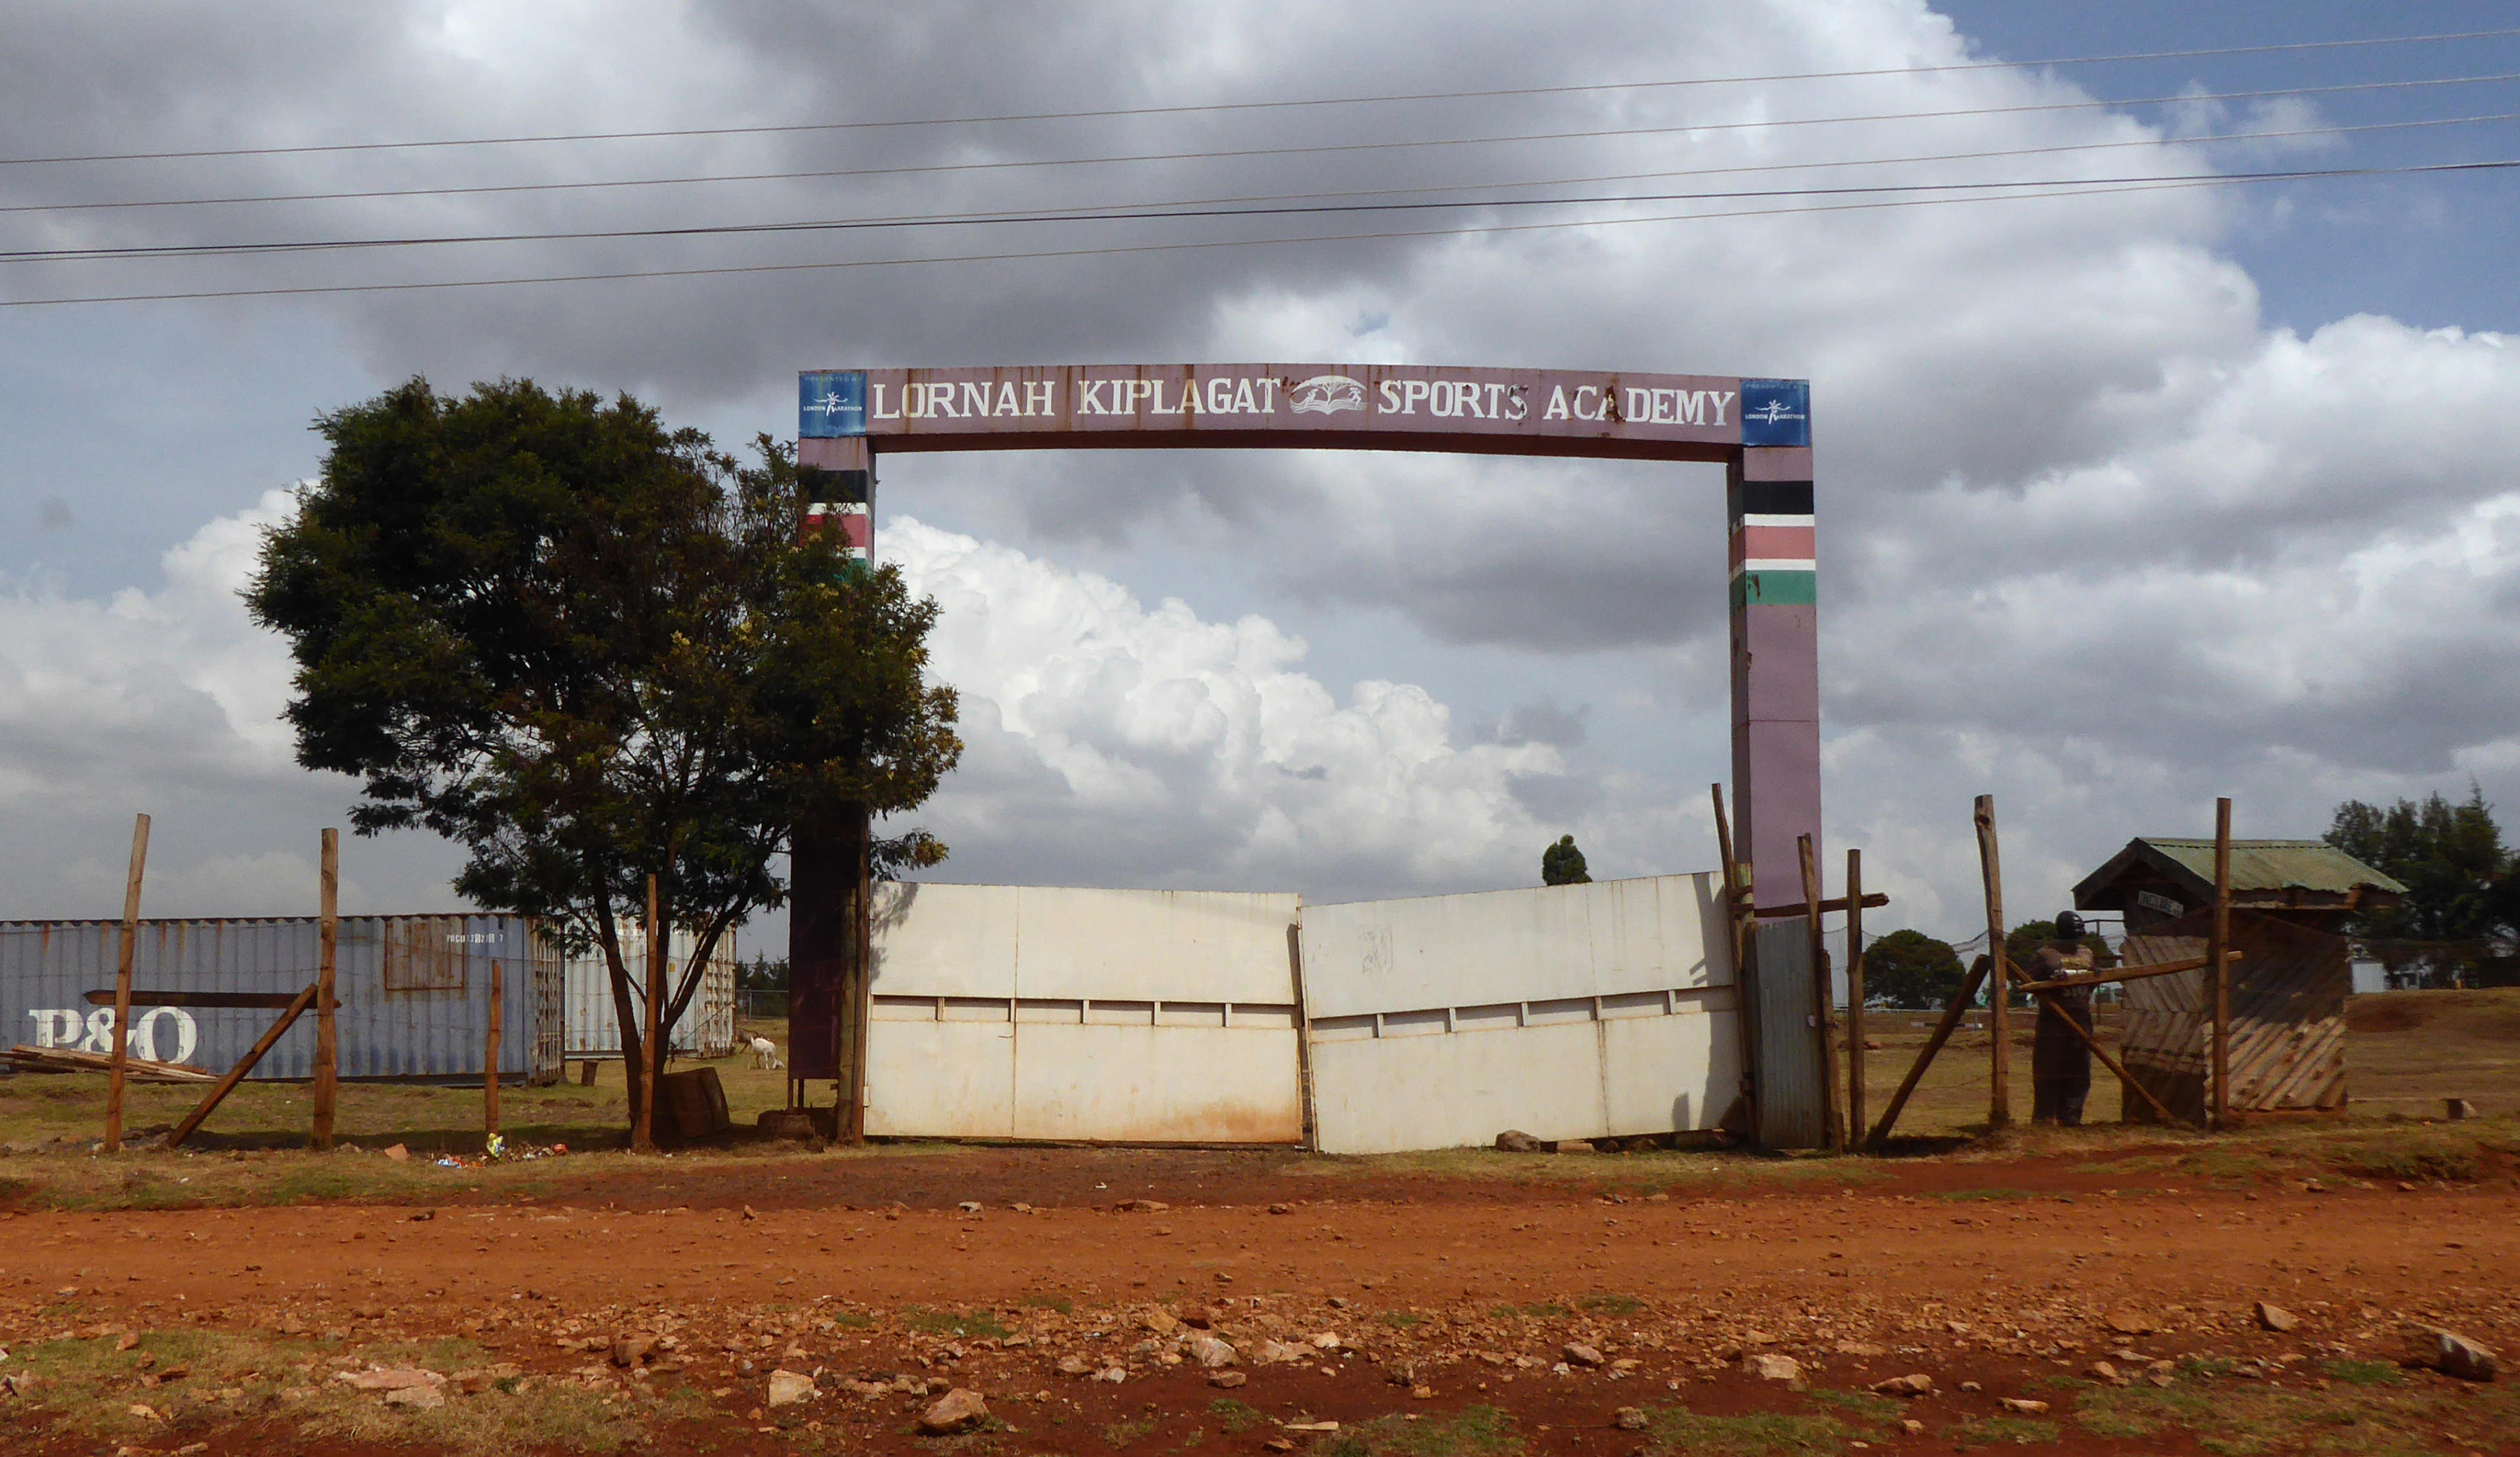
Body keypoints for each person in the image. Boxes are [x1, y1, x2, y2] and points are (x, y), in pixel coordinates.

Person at [2030, 910, 2096, 1126]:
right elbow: (2030, 982)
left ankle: (2071, 1117)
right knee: (2049, 1069)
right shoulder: (2045, 955)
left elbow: (2092, 983)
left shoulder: (2087, 953)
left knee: (2079, 1070)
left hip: (2081, 1016)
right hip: (2053, 1020)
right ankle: (2045, 1118)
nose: (2075, 943)